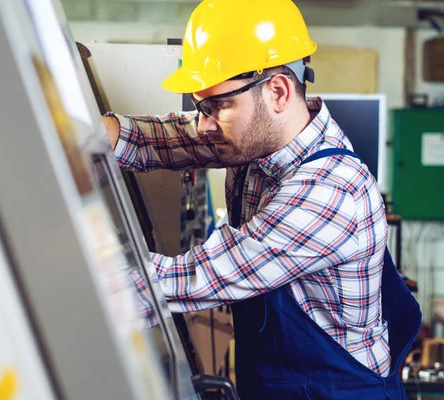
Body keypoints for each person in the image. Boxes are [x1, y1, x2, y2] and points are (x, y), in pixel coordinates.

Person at [101, 1, 421, 398]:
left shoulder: (329, 190)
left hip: (338, 392)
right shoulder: (259, 141)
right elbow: (167, 139)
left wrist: (74, 292)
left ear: (278, 91)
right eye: (201, 106)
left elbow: (204, 275)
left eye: (217, 106)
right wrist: (91, 132)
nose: (203, 125)